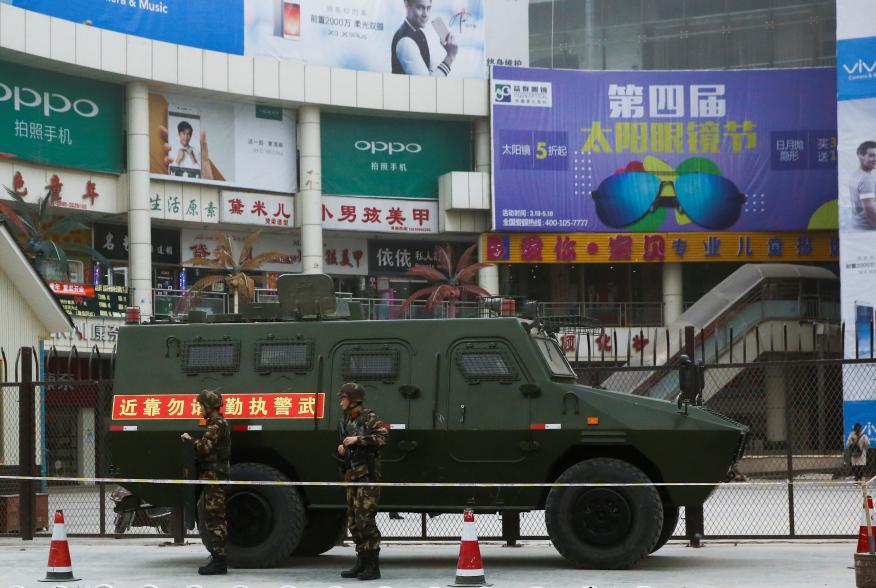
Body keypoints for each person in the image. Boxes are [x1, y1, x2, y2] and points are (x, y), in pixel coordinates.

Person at [337, 382, 388, 581]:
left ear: (353, 400)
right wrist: (342, 448)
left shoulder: (369, 418)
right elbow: (346, 445)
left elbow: (383, 438)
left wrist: (358, 440)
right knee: (353, 521)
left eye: (343, 398)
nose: (340, 402)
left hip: (367, 477)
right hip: (352, 476)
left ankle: (373, 566)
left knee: (365, 520)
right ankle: (361, 562)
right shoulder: (346, 421)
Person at [181, 389, 231, 575]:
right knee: (213, 517)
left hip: (214, 478)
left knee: (215, 518)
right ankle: (218, 559)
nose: (200, 409)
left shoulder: (216, 425)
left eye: (201, 405)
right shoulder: (217, 424)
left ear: (209, 406)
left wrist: (190, 440)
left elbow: (204, 449)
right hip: (213, 478)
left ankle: (219, 562)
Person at [391, 0, 458, 77]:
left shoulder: (419, 33)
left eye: (428, 8)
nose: (425, 14)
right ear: (407, 4)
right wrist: (450, 56)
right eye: (420, 7)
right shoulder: (406, 42)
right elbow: (427, 85)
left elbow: (431, 74)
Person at [849, 141, 876, 230]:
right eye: (871, 155)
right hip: (867, 228)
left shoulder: (856, 174)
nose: (875, 158)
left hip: (857, 225)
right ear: (861, 156)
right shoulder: (866, 179)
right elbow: (870, 210)